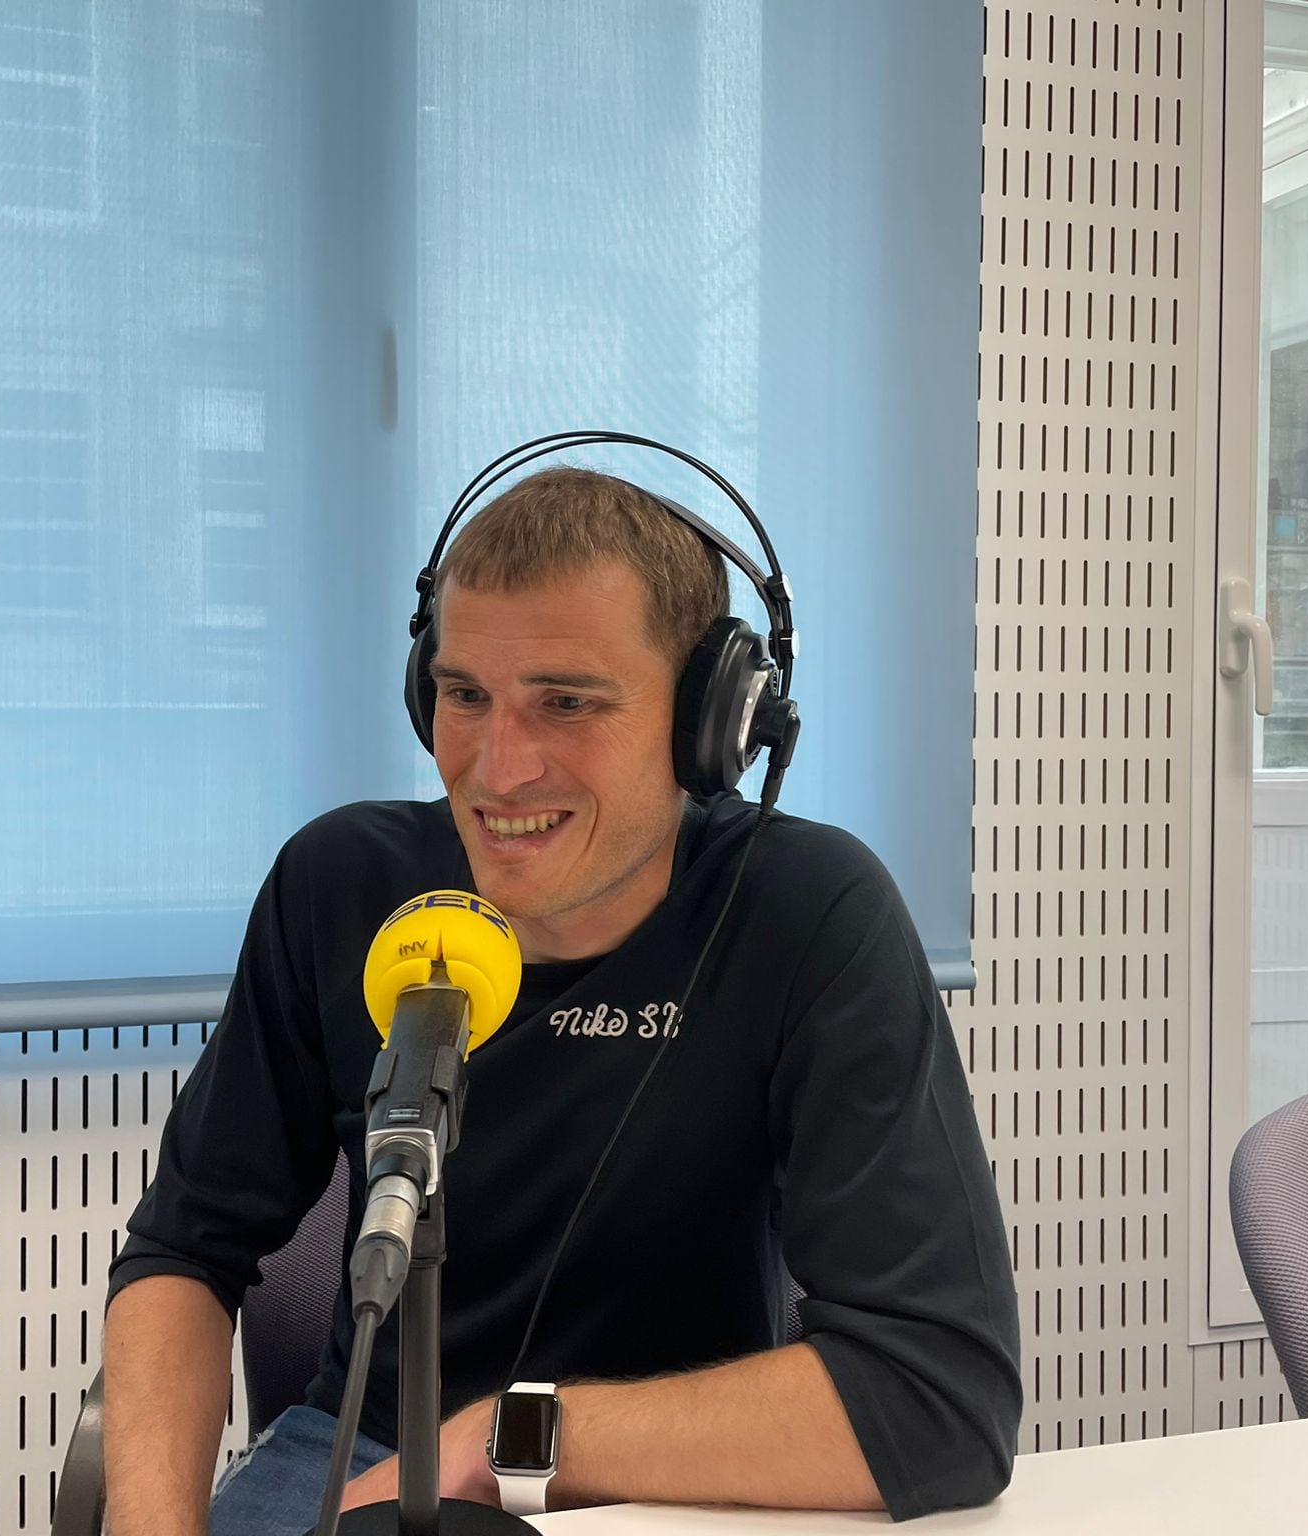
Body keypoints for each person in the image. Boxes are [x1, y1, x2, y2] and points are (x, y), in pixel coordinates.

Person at [102, 466, 1021, 1535]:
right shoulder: (339, 886)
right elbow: (186, 1249)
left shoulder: (805, 914)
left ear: (707, 725)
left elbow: (940, 1397)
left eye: (566, 702)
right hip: (354, 1452)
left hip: (680, 1482)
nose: (497, 768)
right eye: (463, 695)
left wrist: (500, 1441)